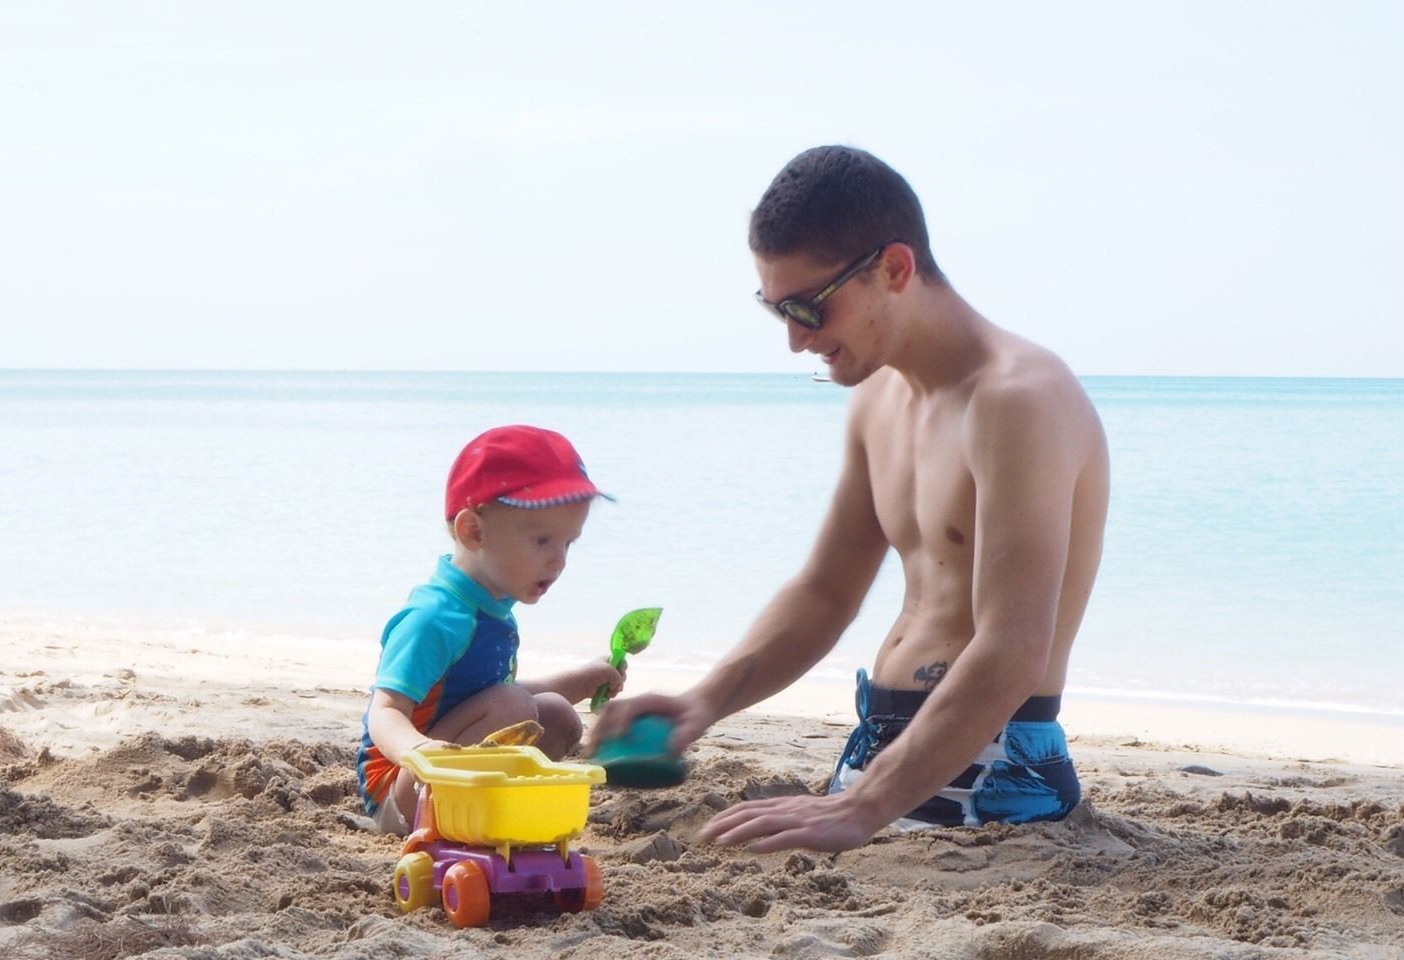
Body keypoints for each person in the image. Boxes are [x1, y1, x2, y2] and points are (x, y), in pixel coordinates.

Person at [593, 145, 1110, 853]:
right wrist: (703, 702)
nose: (796, 340)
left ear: (894, 269)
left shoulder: (1019, 401)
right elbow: (824, 593)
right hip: (887, 758)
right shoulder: (879, 402)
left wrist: (866, 804)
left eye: (809, 306)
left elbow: (1016, 647)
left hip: (993, 768)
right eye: (776, 309)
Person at [356, 424, 625, 835]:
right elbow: (386, 710)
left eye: (568, 543)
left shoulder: (493, 607)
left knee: (557, 715)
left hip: (453, 772)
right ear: (474, 531)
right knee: (514, 707)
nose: (560, 561)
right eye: (542, 541)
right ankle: (462, 816)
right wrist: (420, 751)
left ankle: (502, 805)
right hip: (404, 789)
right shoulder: (434, 617)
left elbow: (491, 696)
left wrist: (584, 680)